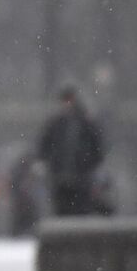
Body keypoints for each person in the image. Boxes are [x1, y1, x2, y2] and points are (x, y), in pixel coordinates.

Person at [37, 85, 106, 217]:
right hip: (61, 178)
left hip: (81, 178)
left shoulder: (84, 123)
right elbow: (45, 146)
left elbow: (96, 148)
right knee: (63, 210)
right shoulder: (56, 124)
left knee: (78, 210)